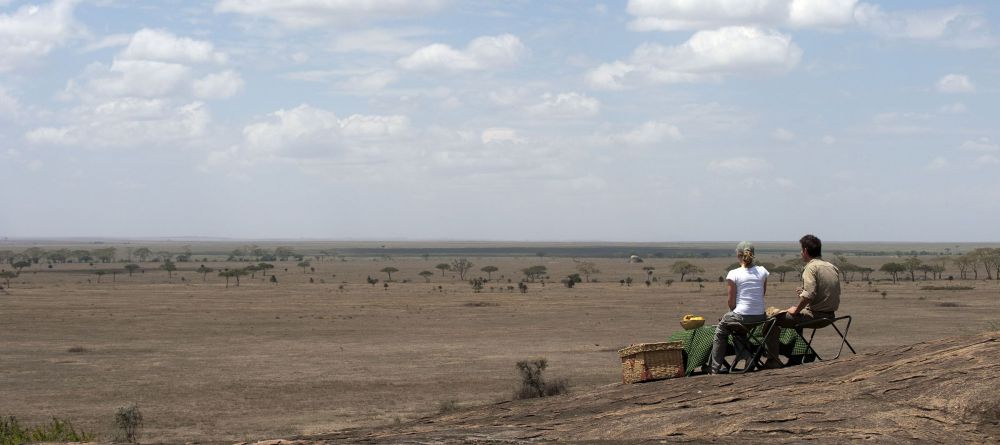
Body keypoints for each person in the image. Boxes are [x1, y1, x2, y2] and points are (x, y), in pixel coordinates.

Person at [762, 234, 841, 369]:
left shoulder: (810, 267)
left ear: (805, 250)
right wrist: (803, 293)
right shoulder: (831, 266)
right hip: (830, 316)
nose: (800, 253)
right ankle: (797, 357)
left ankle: (772, 360)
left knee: (771, 320)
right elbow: (826, 292)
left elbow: (809, 295)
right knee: (793, 318)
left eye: (801, 250)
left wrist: (797, 309)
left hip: (816, 316)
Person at [708, 241, 768, 374]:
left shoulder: (733, 273)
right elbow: (761, 294)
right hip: (760, 317)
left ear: (738, 255)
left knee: (721, 331)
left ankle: (714, 369)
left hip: (742, 316)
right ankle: (748, 358)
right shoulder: (763, 271)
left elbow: (731, 303)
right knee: (737, 330)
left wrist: (734, 311)